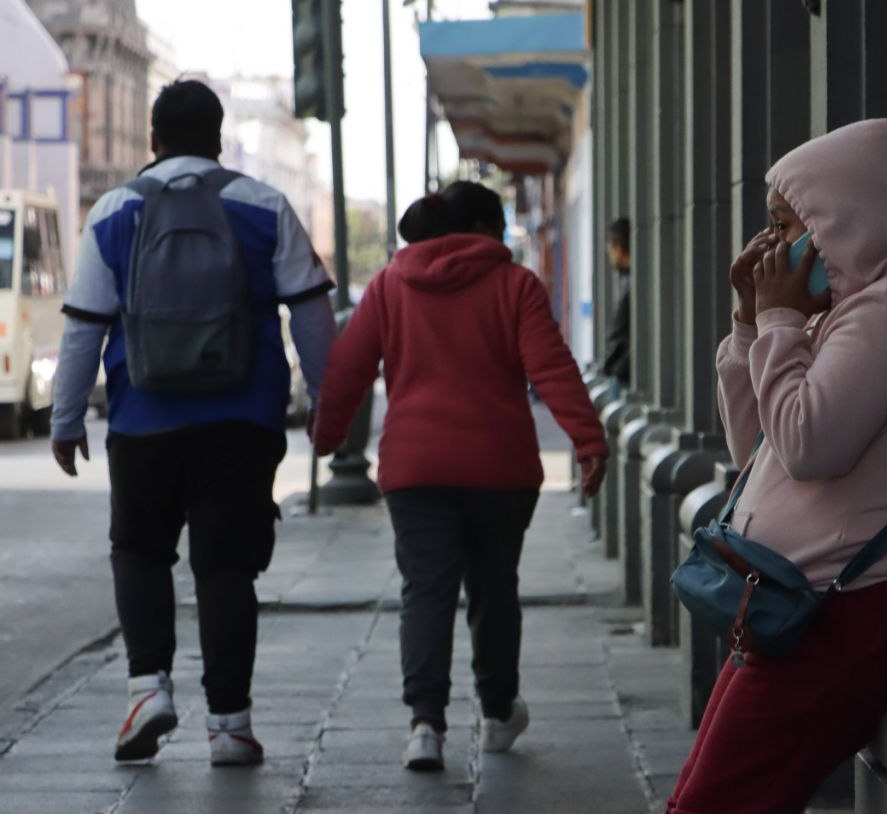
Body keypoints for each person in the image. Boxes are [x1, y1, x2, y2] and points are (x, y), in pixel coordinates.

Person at [666, 118, 887, 813]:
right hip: (805, 604)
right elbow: (759, 452)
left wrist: (779, 325)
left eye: (788, 223)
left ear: (847, 220)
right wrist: (752, 324)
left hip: (857, 605)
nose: (773, 245)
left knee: (718, 801)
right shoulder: (848, 308)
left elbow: (808, 446)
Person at [50, 79, 336, 766]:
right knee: (227, 567)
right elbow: (311, 313)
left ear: (153, 139)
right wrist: (330, 401)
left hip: (144, 420)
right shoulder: (262, 204)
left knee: (140, 550)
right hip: (243, 420)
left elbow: (84, 327)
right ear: (216, 137)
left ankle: (148, 688)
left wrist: (65, 419)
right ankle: (231, 725)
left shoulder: (114, 210)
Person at [312, 181, 608, 771]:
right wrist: (587, 438)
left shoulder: (389, 285)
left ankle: (425, 724)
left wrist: (326, 436)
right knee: (494, 588)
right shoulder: (515, 285)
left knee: (426, 588)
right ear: (482, 228)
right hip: (500, 468)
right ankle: (498, 712)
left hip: (415, 468)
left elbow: (347, 366)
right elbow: (550, 365)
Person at [601, 217, 631, 392]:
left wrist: (618, 368)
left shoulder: (632, 284)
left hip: (623, 377)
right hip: (619, 372)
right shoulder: (626, 280)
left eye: (610, 246)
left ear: (619, 246)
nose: (608, 252)